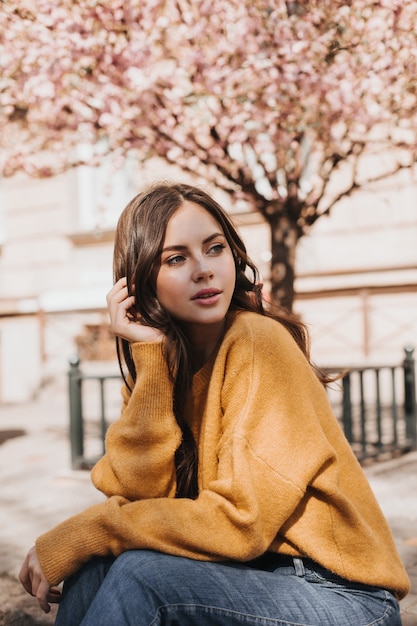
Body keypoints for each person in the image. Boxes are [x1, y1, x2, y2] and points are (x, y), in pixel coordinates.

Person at [20, 181, 409, 625]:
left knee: (139, 574)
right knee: (98, 566)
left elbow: (241, 523)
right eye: (176, 258)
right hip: (250, 577)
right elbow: (140, 497)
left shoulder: (258, 343)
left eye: (215, 248)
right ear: (138, 280)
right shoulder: (163, 365)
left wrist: (90, 530)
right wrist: (151, 362)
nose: (204, 270)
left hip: (342, 596)